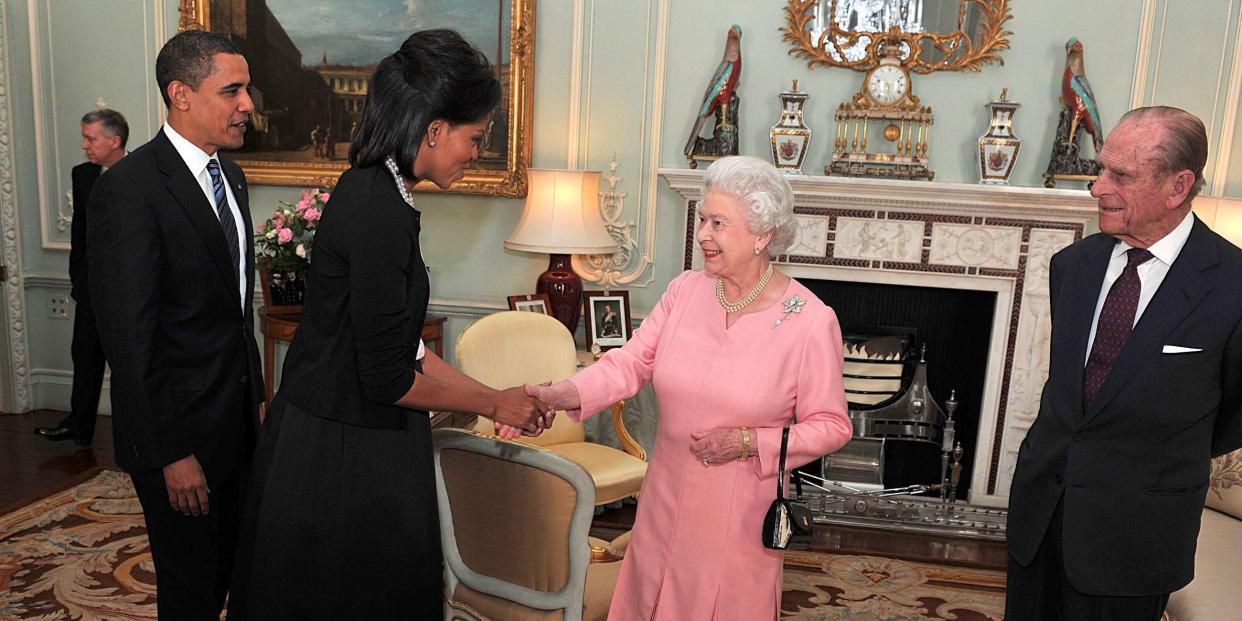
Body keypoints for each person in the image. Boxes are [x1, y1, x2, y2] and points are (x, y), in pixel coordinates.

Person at [228, 30, 550, 620]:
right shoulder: (379, 208)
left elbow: (406, 348)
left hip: (349, 437)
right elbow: (387, 378)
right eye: (474, 138)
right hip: (342, 457)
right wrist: (493, 404)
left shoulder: (381, 192)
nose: (476, 151)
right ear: (433, 129)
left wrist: (491, 396)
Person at [520, 155, 854, 619]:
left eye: (719, 223)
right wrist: (563, 393)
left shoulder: (811, 322)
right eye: (702, 220)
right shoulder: (684, 291)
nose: (703, 235)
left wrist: (745, 442)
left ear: (762, 235)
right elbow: (630, 363)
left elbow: (832, 426)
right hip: (663, 498)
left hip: (735, 516)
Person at [1005, 106, 1242, 621]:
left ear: (1177, 187)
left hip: (1135, 538)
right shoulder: (1074, 266)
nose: (1096, 187)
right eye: (1101, 168)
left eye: (1121, 176)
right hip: (1040, 517)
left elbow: (1231, 417)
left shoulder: (1233, 285)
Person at [86, 30, 262, 620]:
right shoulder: (129, 190)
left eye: (247, 89)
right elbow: (129, 339)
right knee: (189, 593)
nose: (248, 104)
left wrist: (251, 406)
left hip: (234, 425)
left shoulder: (230, 178)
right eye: (232, 90)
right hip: (177, 438)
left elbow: (232, 315)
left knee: (233, 575)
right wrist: (171, 454)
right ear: (180, 94)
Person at [35, 108, 128, 446]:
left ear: (114, 140)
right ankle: (79, 425)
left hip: (128, 293)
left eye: (91, 138)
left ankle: (133, 433)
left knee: (128, 366)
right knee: (85, 356)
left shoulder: (140, 175)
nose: (85, 145)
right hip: (90, 289)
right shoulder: (83, 175)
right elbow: (80, 234)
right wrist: (79, 281)